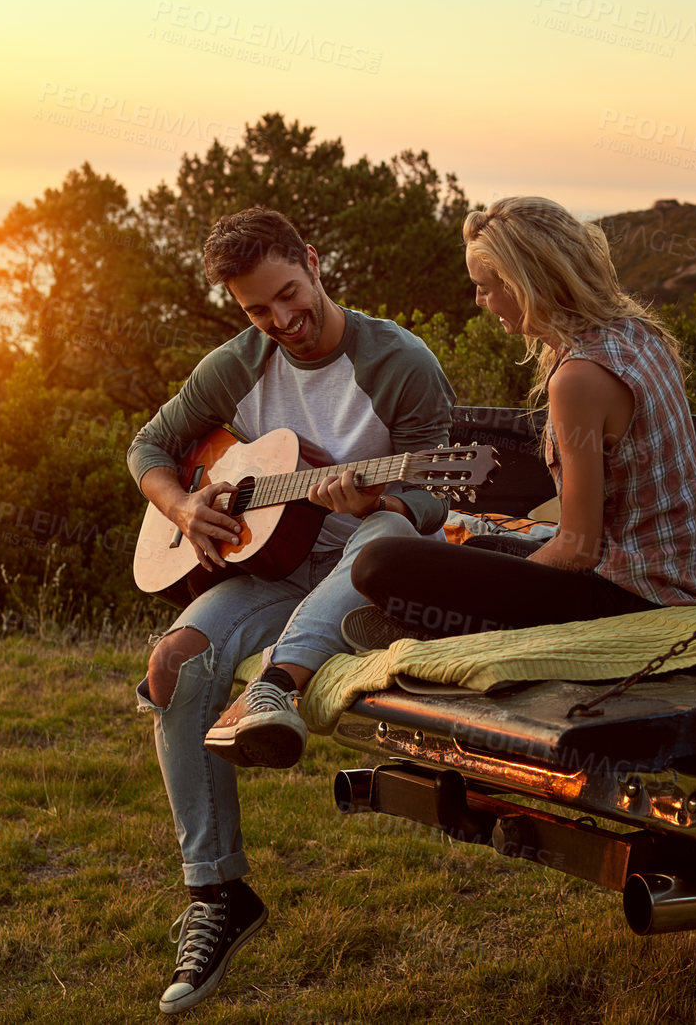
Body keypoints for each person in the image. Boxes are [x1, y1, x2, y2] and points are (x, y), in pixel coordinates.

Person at [127, 207, 454, 1014]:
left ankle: (275, 684)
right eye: (255, 310)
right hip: (275, 559)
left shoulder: (398, 360)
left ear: (312, 260)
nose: (280, 321)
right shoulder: (238, 363)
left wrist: (373, 490)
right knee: (175, 661)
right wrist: (181, 510)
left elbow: (437, 492)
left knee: (376, 530)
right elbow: (148, 448)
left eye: (287, 293)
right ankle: (217, 895)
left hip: (366, 561)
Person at [344, 195, 696, 646]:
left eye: (486, 286)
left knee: (379, 564)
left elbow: (578, 550)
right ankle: (445, 615)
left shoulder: (578, 379)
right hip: (677, 577)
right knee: (483, 548)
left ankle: (446, 628)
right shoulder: (634, 331)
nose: (480, 300)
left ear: (527, 282)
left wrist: (490, 589)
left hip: (635, 597)